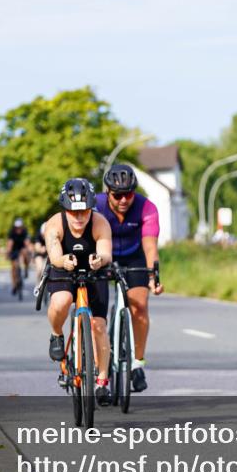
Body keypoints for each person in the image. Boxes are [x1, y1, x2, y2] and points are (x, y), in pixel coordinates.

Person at [43, 178, 114, 405]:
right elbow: (54, 255)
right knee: (62, 301)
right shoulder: (54, 225)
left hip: (94, 272)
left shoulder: (100, 223)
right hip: (64, 269)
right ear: (65, 209)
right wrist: (64, 260)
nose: (80, 217)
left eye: (84, 211)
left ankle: (102, 381)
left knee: (99, 325)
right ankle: (56, 334)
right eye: (74, 213)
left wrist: (99, 260)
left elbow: (106, 253)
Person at [95, 163, 164, 393]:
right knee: (98, 314)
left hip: (133, 257)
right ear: (108, 193)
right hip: (103, 257)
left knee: (140, 306)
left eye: (129, 194)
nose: (124, 200)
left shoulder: (147, 208)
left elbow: (150, 248)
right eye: (118, 195)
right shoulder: (96, 206)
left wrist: (153, 276)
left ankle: (137, 364)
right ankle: (99, 365)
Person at [7, 218, 30, 294]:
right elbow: (10, 243)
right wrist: (8, 252)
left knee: (25, 252)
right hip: (14, 249)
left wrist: (28, 249)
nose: (18, 229)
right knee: (13, 268)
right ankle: (14, 285)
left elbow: (27, 242)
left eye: (20, 227)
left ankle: (26, 268)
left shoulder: (24, 232)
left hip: (22, 248)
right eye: (17, 227)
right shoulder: (12, 232)